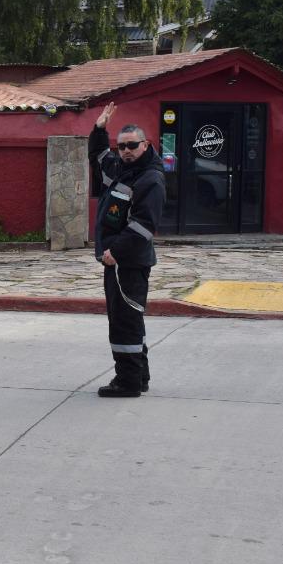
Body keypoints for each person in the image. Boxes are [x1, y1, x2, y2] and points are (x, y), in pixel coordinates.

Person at [89, 101, 166, 397]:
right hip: (119, 263)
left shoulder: (151, 179)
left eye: (132, 145)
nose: (126, 151)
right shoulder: (123, 170)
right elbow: (98, 158)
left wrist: (115, 252)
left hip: (127, 263)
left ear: (145, 145)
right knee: (129, 318)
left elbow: (143, 226)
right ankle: (139, 376)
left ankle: (128, 381)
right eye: (121, 146)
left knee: (124, 321)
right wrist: (99, 129)